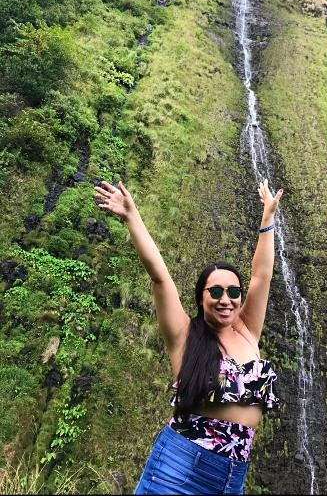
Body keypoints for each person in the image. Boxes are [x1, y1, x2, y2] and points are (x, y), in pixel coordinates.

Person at [94, 178, 284, 495]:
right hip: (180, 467)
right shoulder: (185, 335)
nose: (227, 299)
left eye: (234, 291)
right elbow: (159, 275)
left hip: (232, 476)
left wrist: (268, 219)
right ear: (201, 298)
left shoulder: (249, 330)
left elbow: (262, 275)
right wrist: (131, 216)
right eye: (216, 291)